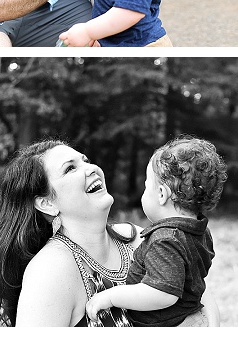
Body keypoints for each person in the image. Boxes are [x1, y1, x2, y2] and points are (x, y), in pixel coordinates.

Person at [0, 139, 219, 327]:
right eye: (70, 168)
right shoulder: (51, 270)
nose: (91, 168)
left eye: (85, 160)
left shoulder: (138, 237)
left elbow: (201, 295)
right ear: (47, 203)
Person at [85, 136, 228, 326]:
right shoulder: (200, 230)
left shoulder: (165, 239)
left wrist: (111, 297)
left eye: (146, 188)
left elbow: (162, 294)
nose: (144, 194)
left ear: (161, 194)